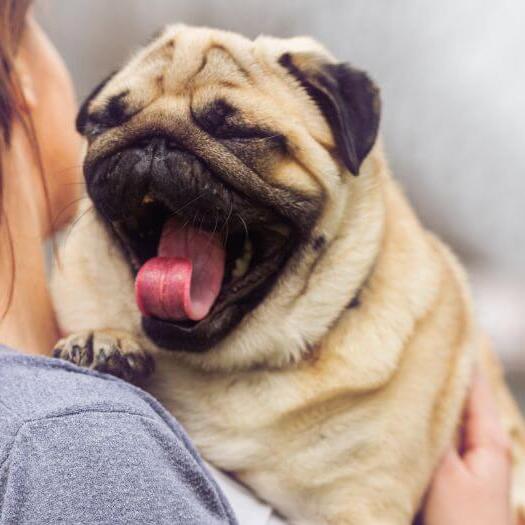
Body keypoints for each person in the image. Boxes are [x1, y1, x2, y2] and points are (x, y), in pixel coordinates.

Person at [0, 2, 513, 524]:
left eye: (238, 134)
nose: (159, 157)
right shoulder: (70, 436)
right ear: (18, 79)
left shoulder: (420, 345)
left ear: (348, 138)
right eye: (118, 118)